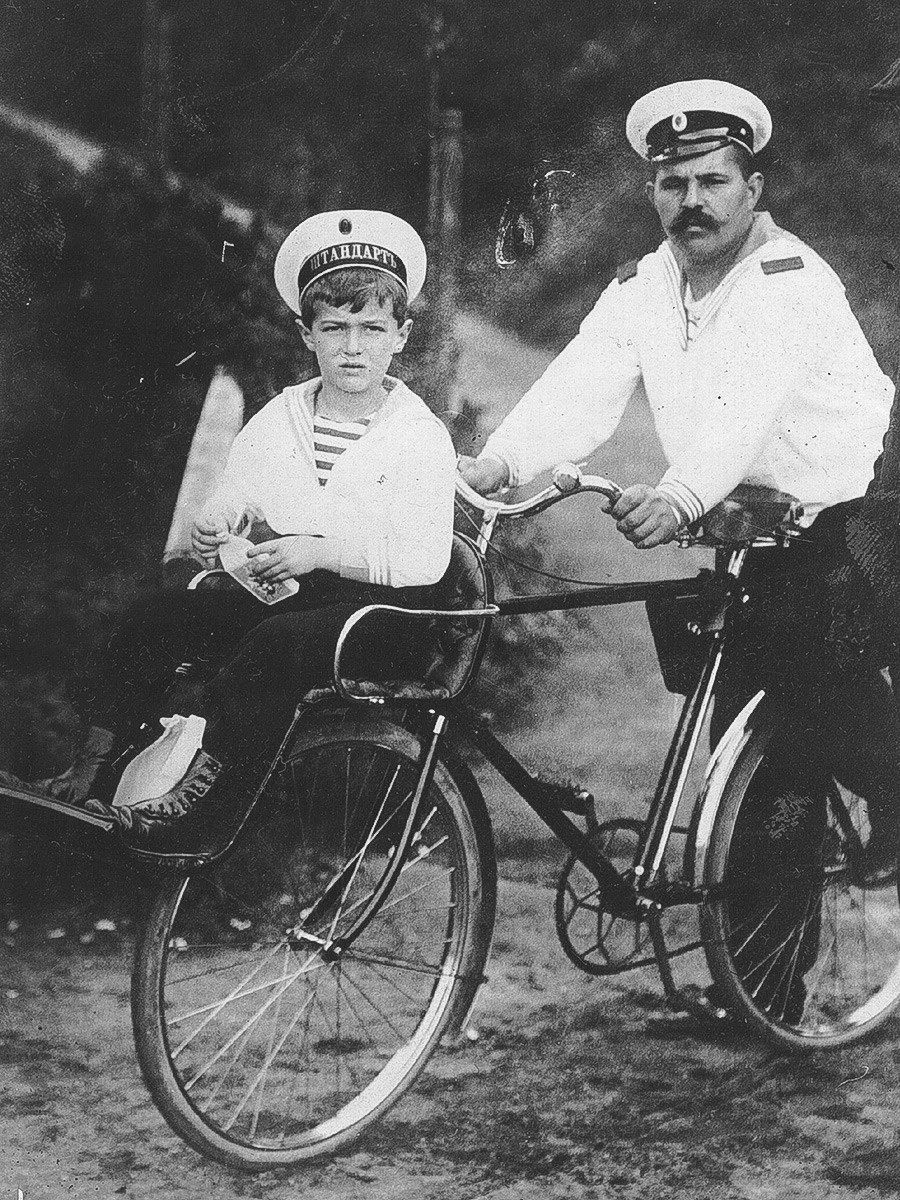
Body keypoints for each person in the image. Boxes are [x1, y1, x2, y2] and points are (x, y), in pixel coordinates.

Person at [460, 80, 900, 1014]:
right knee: (740, 759)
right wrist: (502, 462)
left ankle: (805, 940)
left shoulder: (791, 281)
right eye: (672, 184)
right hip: (751, 529)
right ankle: (763, 991)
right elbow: (583, 381)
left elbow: (749, 404)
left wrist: (681, 493)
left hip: (848, 524)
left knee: (806, 737)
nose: (689, 202)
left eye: (711, 180)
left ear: (754, 187)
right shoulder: (644, 285)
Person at [2, 209, 457, 857]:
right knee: (159, 616)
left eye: (370, 328)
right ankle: (92, 767)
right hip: (297, 595)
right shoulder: (285, 415)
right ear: (307, 334)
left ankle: (198, 802)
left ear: (401, 335)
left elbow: (423, 557)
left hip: (382, 616)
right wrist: (224, 514)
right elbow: (242, 485)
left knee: (272, 645)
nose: (352, 347)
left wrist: (318, 549)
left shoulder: (417, 434)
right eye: (333, 328)